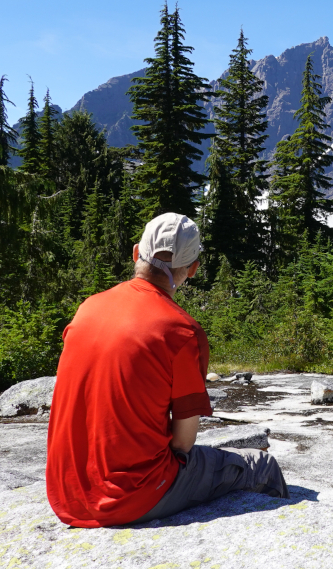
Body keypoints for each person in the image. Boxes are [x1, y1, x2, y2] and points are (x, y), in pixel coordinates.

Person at [46, 212, 288, 528]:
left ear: (136, 253)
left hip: (66, 493)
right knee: (262, 465)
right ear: (193, 270)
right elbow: (182, 445)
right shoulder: (182, 333)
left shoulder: (87, 308)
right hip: (131, 496)